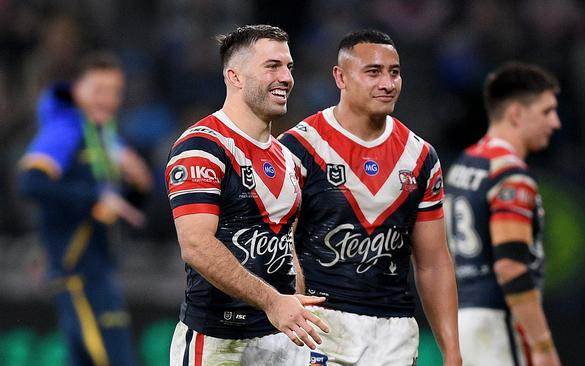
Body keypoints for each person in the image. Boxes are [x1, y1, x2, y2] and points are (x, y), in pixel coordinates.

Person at [279, 30, 461, 366]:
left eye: (394, 72)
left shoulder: (420, 157)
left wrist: (452, 351)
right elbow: (279, 246)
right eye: (373, 72)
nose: (388, 83)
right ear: (340, 77)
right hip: (321, 328)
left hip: (394, 334)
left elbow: (434, 262)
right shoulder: (298, 148)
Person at [164, 24, 329, 365]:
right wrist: (273, 302)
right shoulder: (202, 147)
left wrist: (295, 312)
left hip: (280, 337)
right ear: (235, 77)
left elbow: (286, 245)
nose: (286, 77)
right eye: (272, 66)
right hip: (216, 341)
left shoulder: (287, 158)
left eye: (289, 67)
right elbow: (195, 245)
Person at [17, 52, 152, 366]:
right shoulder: (66, 128)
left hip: (99, 267)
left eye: (115, 91)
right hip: (79, 272)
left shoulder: (105, 137)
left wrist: (139, 185)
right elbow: (29, 182)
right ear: (77, 90)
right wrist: (94, 198)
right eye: (98, 89)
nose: (108, 99)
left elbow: (123, 209)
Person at [444, 62, 562, 366]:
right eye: (547, 111)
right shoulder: (510, 176)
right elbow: (510, 266)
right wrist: (543, 344)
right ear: (516, 114)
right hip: (498, 322)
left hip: (463, 319)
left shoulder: (463, 164)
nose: (556, 123)